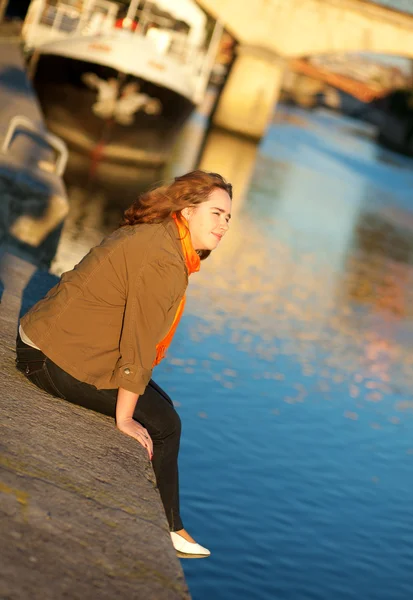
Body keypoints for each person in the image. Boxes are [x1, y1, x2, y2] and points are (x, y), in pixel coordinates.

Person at [16, 170, 232, 558]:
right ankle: (171, 528)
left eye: (228, 218)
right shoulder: (165, 259)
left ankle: (170, 524)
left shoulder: (164, 240)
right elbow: (138, 345)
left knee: (160, 402)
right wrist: (125, 418)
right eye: (216, 213)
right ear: (186, 211)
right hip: (47, 357)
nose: (223, 225)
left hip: (56, 341)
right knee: (165, 423)